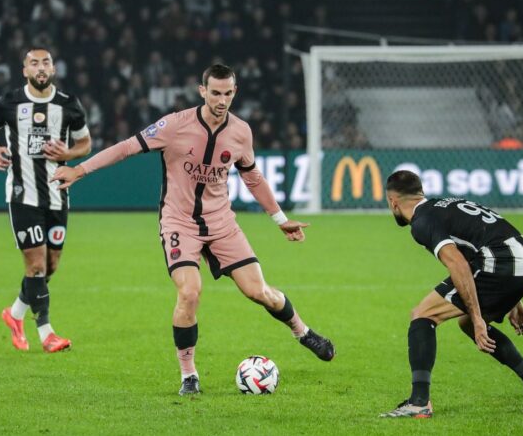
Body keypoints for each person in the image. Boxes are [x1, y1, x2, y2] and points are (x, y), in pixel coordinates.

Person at [51, 64, 335, 395]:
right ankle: (189, 375)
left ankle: (303, 332)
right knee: (189, 292)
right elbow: (127, 147)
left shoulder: (241, 132)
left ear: (234, 92)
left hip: (222, 224)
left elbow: (252, 176)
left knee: (260, 292)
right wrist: (80, 171)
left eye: (228, 93)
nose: (222, 100)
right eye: (215, 93)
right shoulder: (175, 125)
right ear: (202, 91)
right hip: (179, 222)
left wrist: (279, 219)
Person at [380, 170, 523, 418]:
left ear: (393, 201)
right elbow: (485, 240)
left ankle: (419, 403)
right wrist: (513, 298)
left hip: (503, 263)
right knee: (465, 322)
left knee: (423, 315)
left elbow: (458, 264)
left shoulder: (422, 222)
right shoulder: (448, 204)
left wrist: (479, 317)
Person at [0, 48, 91, 353]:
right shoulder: (9, 103)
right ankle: (46, 332)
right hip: (22, 195)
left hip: (58, 195)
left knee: (50, 266)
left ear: (53, 68)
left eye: (45, 63)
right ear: (24, 71)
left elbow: (85, 142)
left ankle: (14, 314)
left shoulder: (69, 106)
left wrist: (68, 154)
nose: (40, 68)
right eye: (34, 63)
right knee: (37, 264)